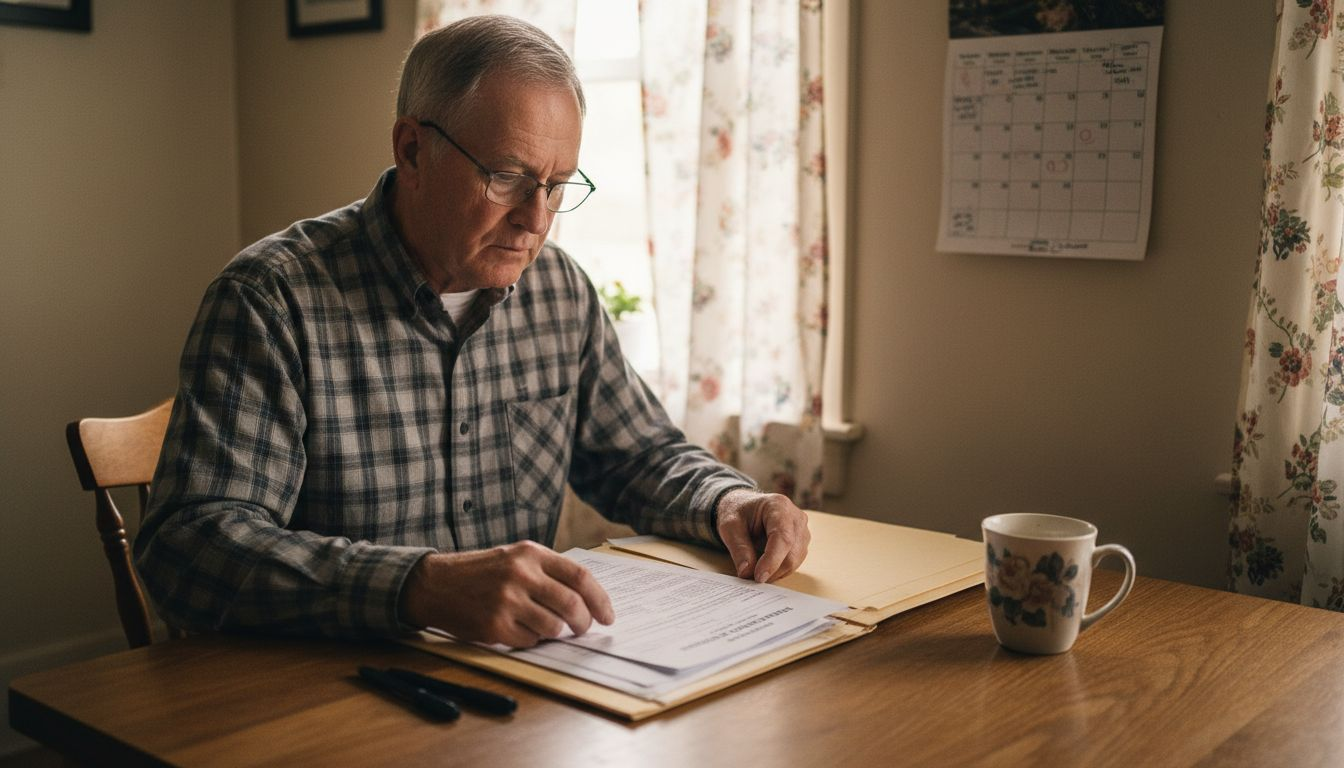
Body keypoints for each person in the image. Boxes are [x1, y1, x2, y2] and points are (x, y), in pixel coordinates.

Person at [135, 14, 810, 648]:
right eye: (510, 177)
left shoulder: (559, 292)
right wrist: (416, 587)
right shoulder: (272, 300)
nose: (536, 219)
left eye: (557, 185)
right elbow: (190, 548)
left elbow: (636, 455)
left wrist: (729, 498)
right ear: (412, 150)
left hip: (524, 688)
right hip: (329, 692)